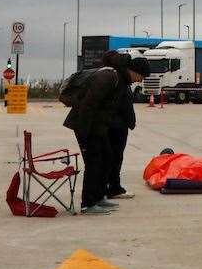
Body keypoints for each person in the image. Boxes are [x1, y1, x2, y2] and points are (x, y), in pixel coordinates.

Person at [62, 61, 121, 215]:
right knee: (94, 163)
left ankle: (99, 196)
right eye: (140, 75)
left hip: (95, 128)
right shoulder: (107, 78)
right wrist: (84, 133)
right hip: (87, 128)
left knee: (106, 158)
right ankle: (88, 203)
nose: (140, 80)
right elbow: (89, 105)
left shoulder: (114, 78)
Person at [103, 52, 148, 200]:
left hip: (118, 125)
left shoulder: (124, 80)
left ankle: (111, 187)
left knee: (115, 158)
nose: (141, 80)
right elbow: (120, 105)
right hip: (114, 126)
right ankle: (112, 189)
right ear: (134, 71)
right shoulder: (120, 80)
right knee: (112, 159)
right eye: (141, 76)